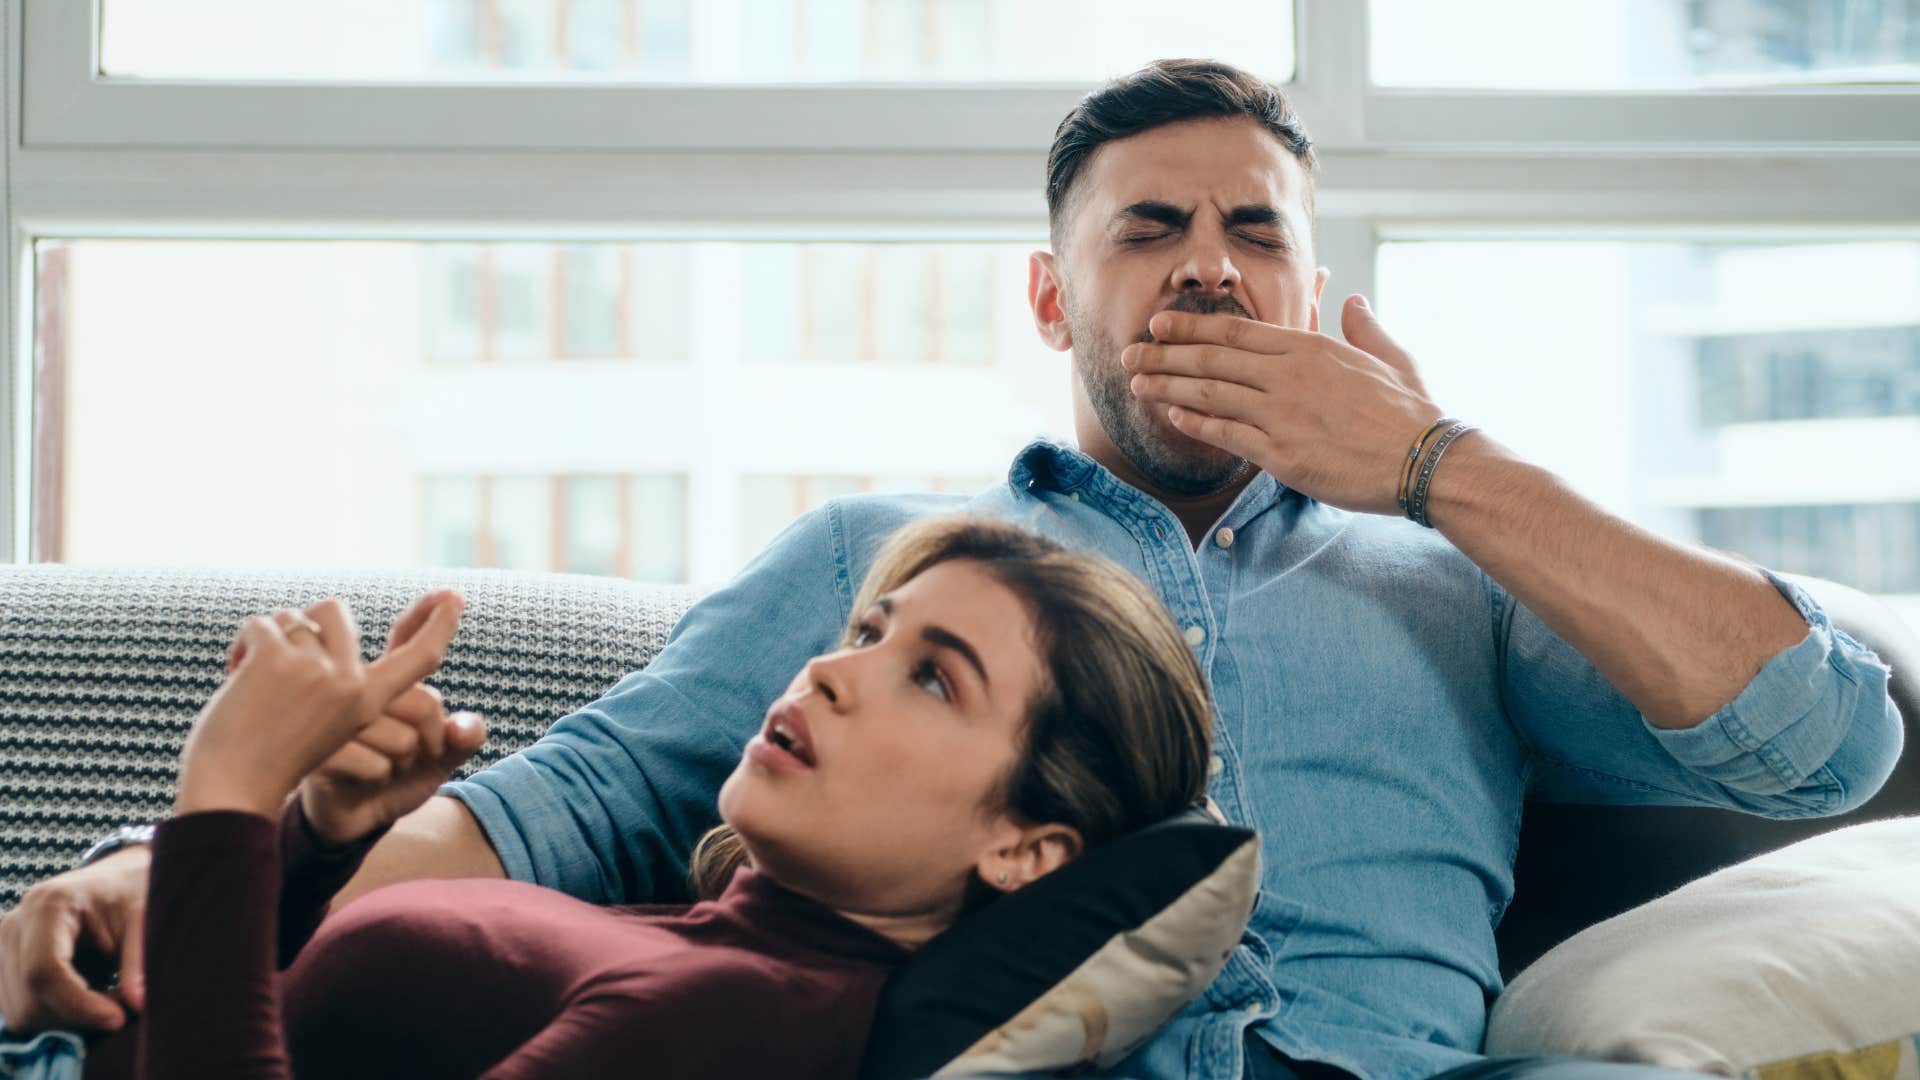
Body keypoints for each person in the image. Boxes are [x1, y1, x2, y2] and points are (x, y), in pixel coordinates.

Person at [0, 58, 1901, 1080]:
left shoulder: (1461, 577)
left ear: (1322, 289)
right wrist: (167, 889)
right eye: (1149, 230)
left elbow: (1820, 747)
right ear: (1049, 290)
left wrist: (1439, 467)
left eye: (1256, 232)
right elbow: (561, 810)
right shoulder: (879, 560)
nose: (1210, 267)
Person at [73, 515, 1214, 1078]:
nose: (830, 669)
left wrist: (224, 797)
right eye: (868, 629)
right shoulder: (716, 943)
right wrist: (317, 836)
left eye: (931, 676)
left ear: (1027, 849)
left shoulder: (742, 1017)